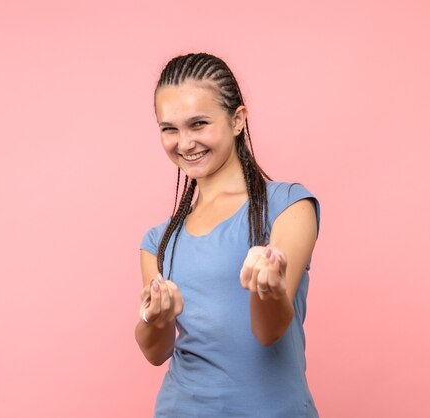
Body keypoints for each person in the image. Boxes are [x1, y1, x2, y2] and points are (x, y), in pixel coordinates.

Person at [135, 52, 321, 418]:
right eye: (169, 128)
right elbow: (156, 352)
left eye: (199, 124)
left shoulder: (289, 206)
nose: (184, 143)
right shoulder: (158, 242)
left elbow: (270, 332)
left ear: (237, 120)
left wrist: (267, 287)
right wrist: (154, 318)